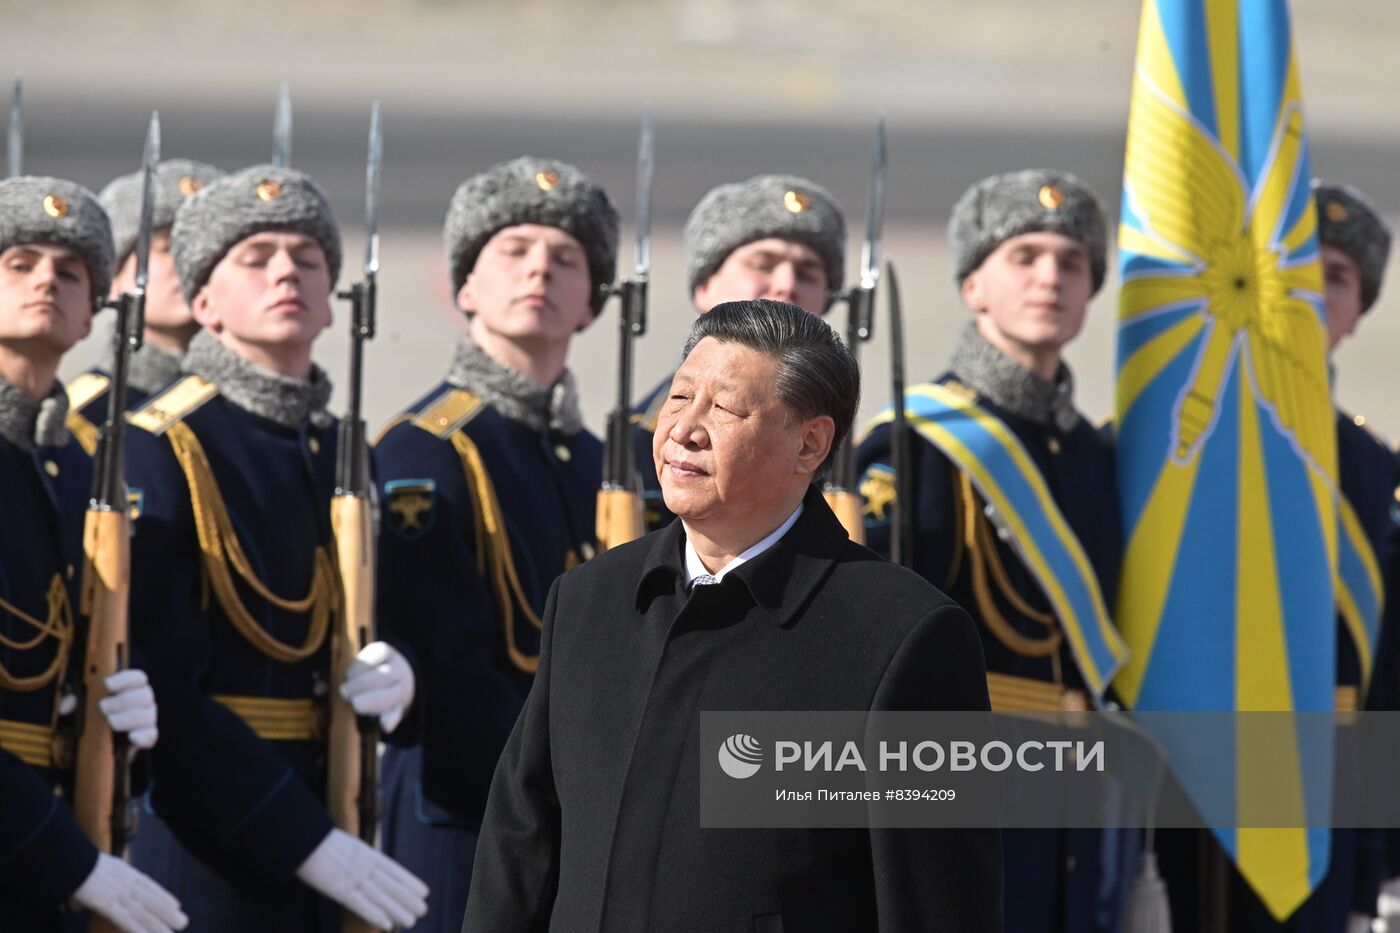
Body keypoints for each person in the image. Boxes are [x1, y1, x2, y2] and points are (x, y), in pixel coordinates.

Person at [465, 299, 1001, 932]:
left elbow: (934, 901)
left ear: (810, 444)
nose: (684, 429)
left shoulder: (902, 635)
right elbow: (518, 847)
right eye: (678, 398)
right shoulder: (589, 600)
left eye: (722, 408)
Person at [123, 164, 428, 931]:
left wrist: (404, 670)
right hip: (214, 846)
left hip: (339, 813)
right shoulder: (161, 445)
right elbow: (165, 687)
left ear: (332, 301)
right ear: (203, 303)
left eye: (308, 257)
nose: (287, 270)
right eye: (255, 258)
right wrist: (306, 839)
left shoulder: (340, 449)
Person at [857, 169, 1132, 932]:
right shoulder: (914, 443)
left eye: (1072, 262)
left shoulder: (1092, 452)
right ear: (974, 284)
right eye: (1025, 256)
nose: (1051, 276)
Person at [373, 156, 617, 931]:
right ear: (465, 288)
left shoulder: (602, 466)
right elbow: (445, 657)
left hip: (580, 822)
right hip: (466, 815)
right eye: (513, 250)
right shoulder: (424, 449)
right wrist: (571, 788)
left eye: (566, 258)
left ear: (592, 303)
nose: (539, 268)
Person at [0, 174, 185, 932]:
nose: (47, 279)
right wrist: (65, 857)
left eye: (71, 271)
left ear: (94, 312)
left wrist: (125, 732)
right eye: (20, 262)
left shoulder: (77, 467)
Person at [631, 174, 846, 529]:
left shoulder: (840, 441)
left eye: (807, 275)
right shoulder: (638, 439)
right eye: (763, 264)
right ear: (704, 285)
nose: (787, 285)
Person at [65, 159, 225, 453]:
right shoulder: (83, 420)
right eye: (168, 248)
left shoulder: (243, 409)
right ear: (114, 275)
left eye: (206, 251)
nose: (188, 264)